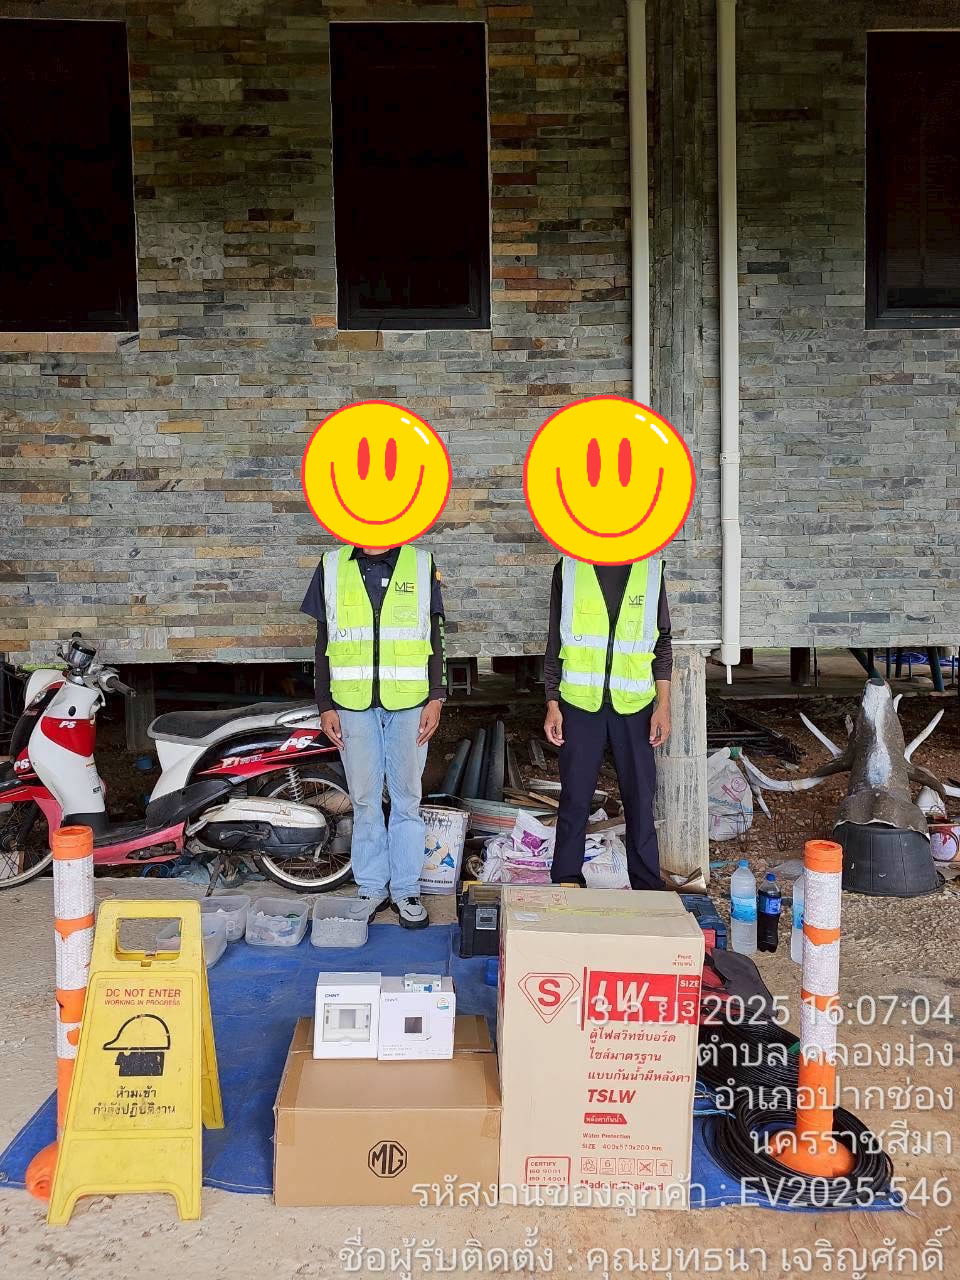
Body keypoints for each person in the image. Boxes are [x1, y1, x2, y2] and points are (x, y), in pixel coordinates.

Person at [301, 542, 446, 928]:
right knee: (365, 800)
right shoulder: (331, 565)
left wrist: (437, 697)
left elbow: (436, 637)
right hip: (353, 704)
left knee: (407, 800)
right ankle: (370, 888)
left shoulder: (420, 563)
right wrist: (325, 704)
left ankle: (406, 889)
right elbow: (323, 641)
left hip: (410, 703)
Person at [542, 554, 672, 890]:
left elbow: (662, 642)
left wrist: (663, 705)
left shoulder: (650, 569)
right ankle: (567, 880)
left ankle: (646, 886)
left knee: (640, 798)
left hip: (635, 705)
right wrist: (552, 703)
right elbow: (555, 641)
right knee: (575, 797)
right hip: (580, 703)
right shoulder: (569, 568)